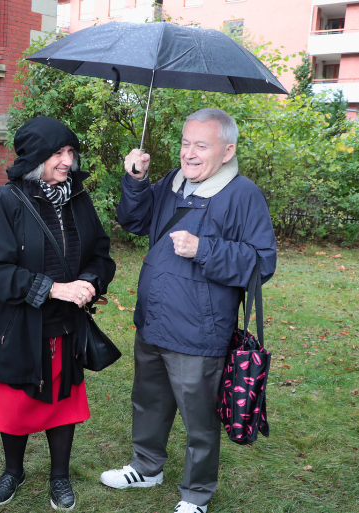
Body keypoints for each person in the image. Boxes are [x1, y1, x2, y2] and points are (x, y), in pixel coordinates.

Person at [101, 108, 277, 513]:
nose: (189, 153)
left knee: (199, 419)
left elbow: (262, 262)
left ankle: (195, 495)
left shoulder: (242, 194)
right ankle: (147, 468)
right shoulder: (173, 184)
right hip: (154, 320)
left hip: (200, 330)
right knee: (148, 400)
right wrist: (137, 180)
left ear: (228, 150)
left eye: (201, 144)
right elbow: (133, 220)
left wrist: (205, 250)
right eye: (185, 143)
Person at [0, 117, 116, 511]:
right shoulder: (6, 200)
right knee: (15, 403)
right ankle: (12, 471)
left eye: (71, 152)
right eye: (58, 152)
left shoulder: (78, 197)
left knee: (62, 402)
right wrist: (55, 288)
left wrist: (91, 280)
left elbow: (100, 253)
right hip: (18, 325)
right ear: (36, 156)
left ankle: (60, 476)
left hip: (66, 326)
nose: (67, 161)